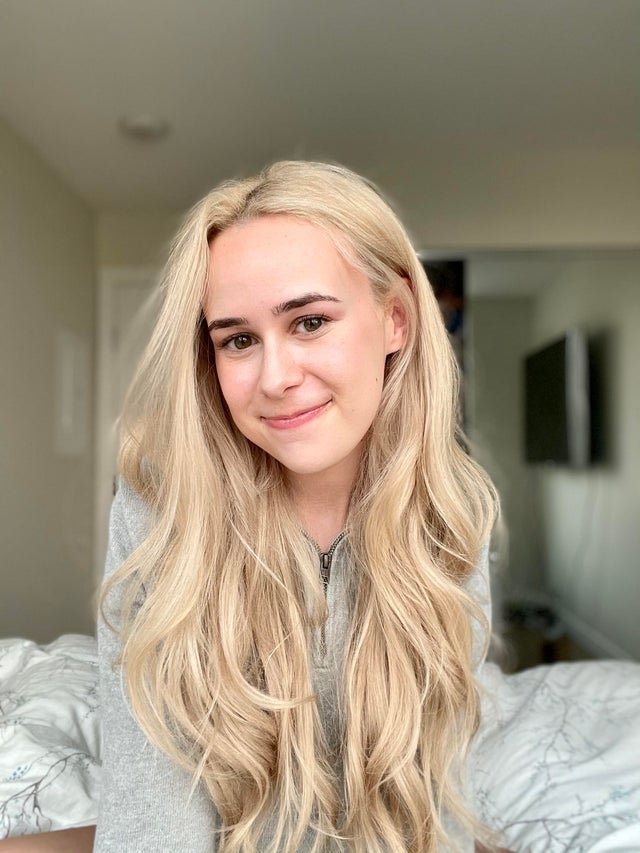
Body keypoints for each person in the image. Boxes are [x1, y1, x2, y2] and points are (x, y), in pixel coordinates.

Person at [1, 161, 502, 852]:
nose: (275, 377)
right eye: (238, 339)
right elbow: (154, 816)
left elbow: (435, 800)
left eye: (310, 322)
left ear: (395, 320)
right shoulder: (161, 510)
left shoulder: (450, 516)